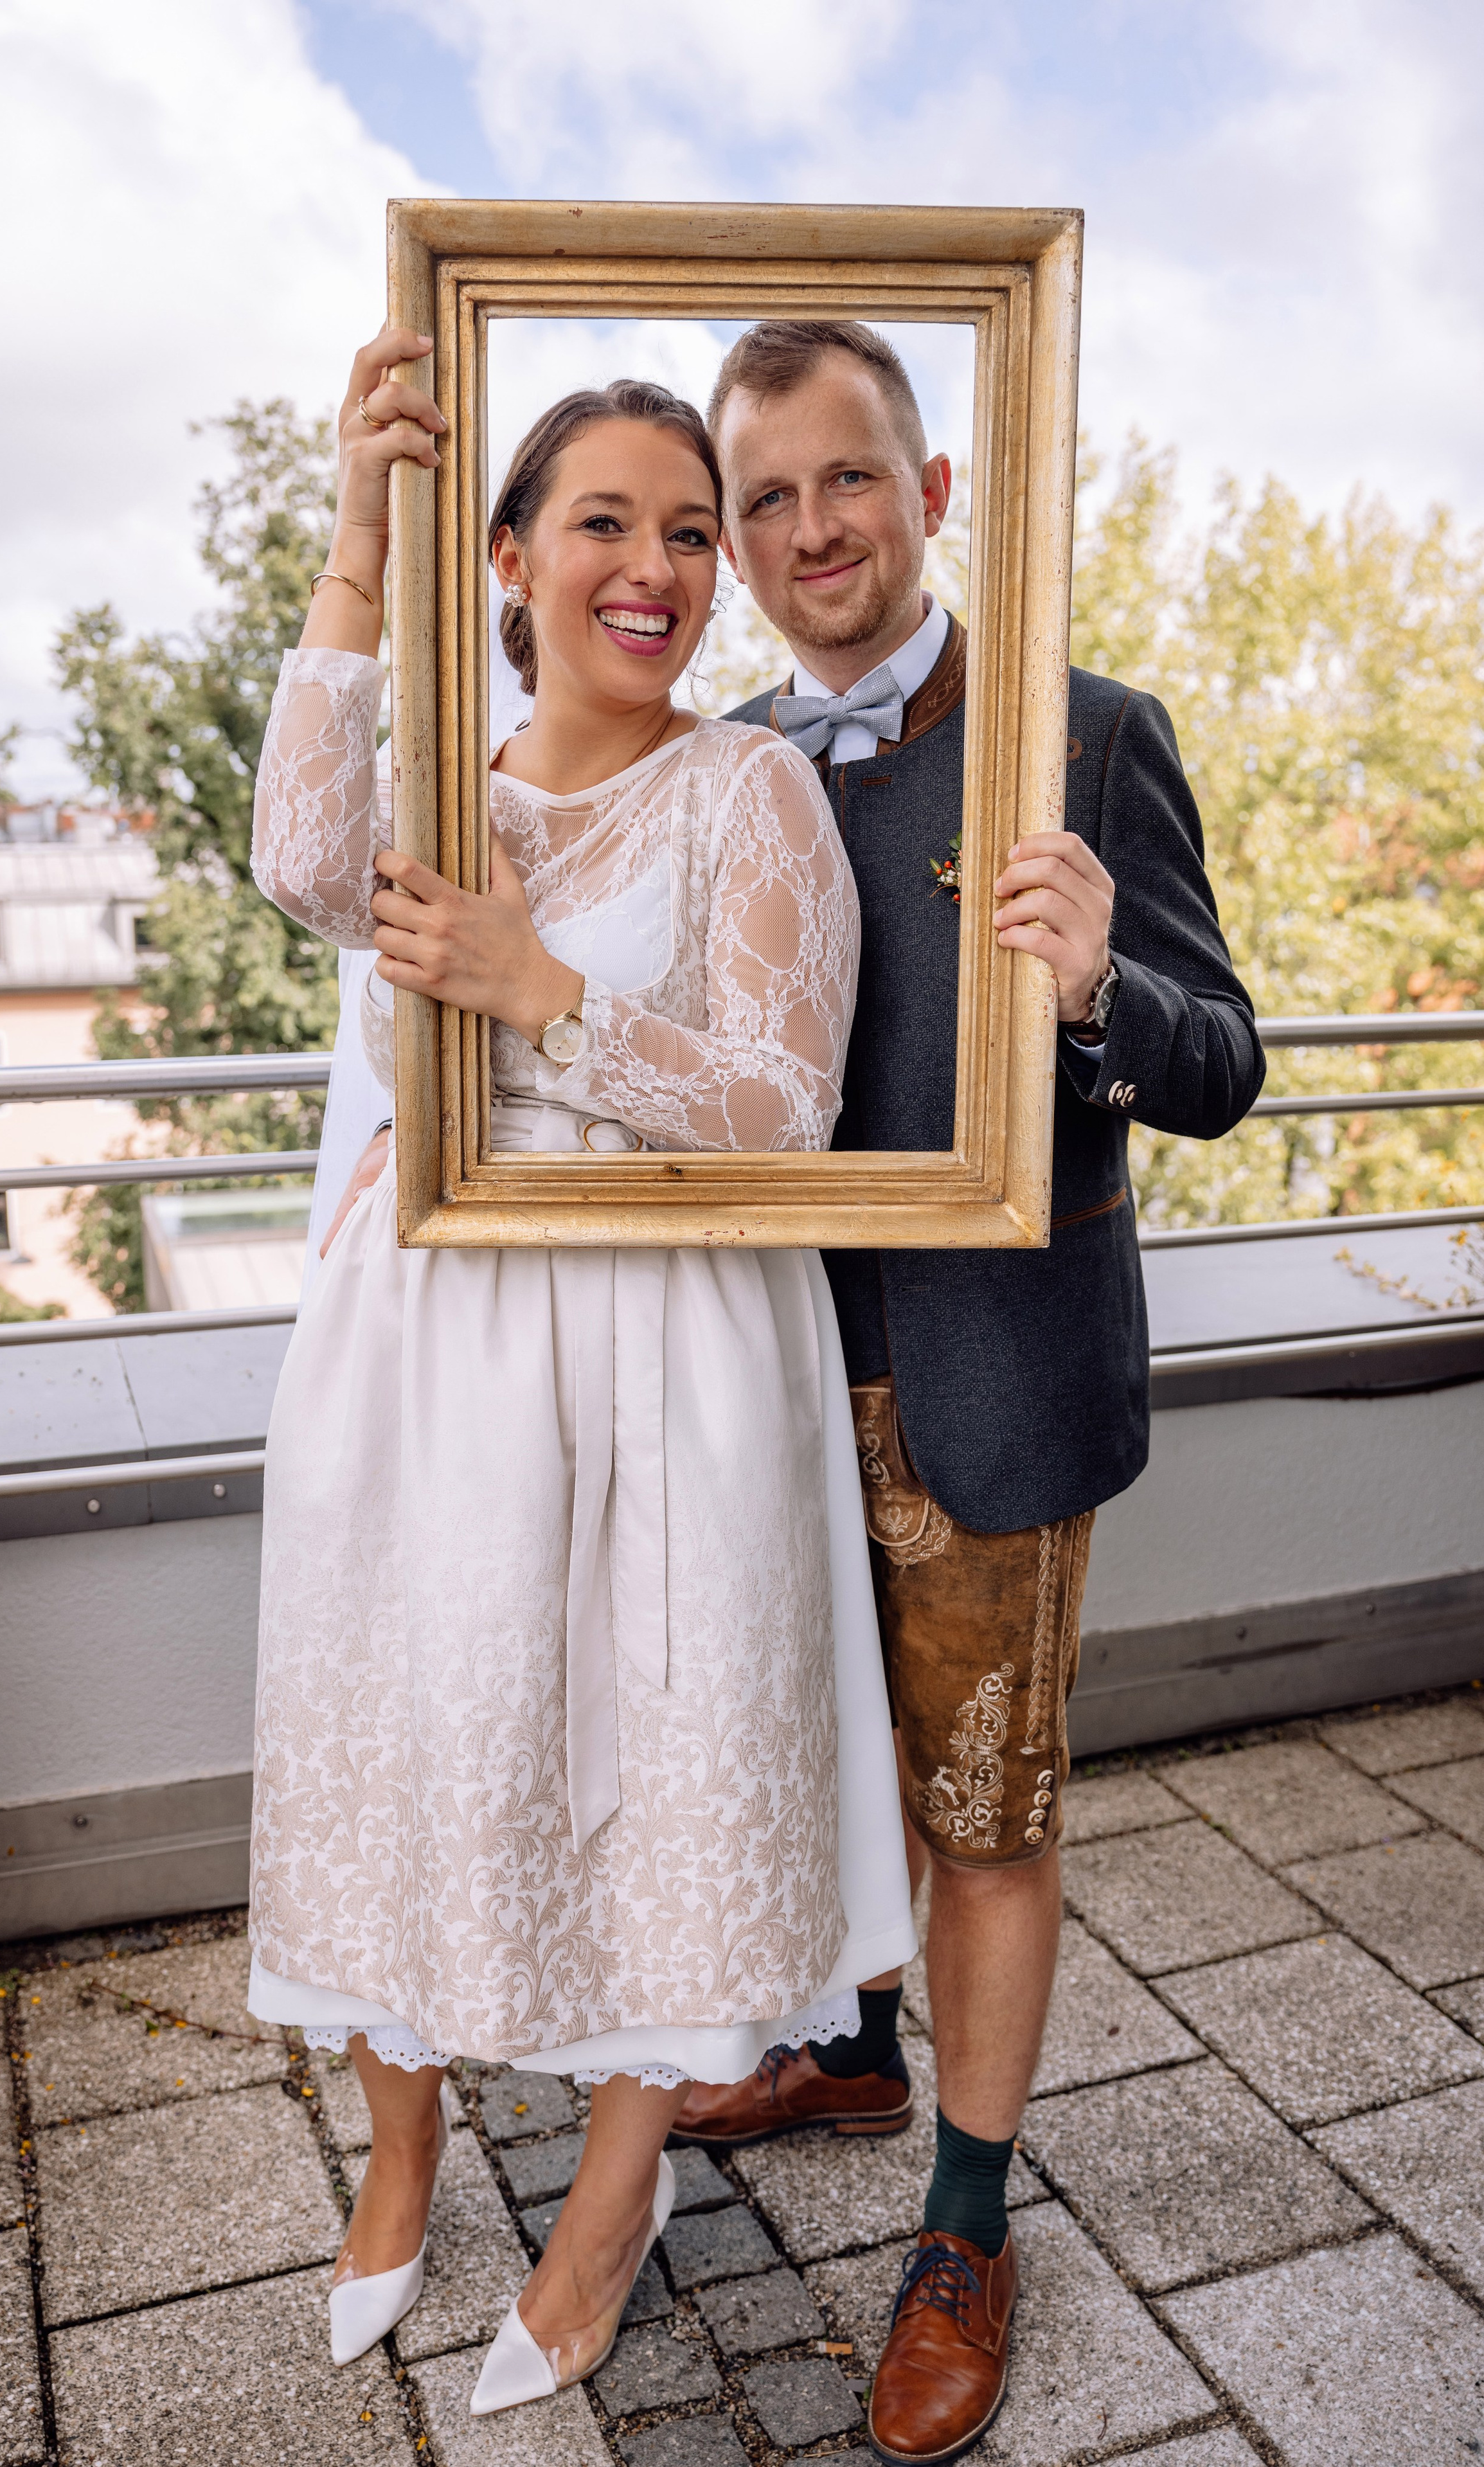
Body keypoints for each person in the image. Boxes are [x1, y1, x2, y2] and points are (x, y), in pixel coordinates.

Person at [244, 327, 915, 2414]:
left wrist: (536, 993)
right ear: (513, 555)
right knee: (418, 1742)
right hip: (423, 1341)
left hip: (670, 1349)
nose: (663, 566)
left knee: (652, 1762)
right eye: (606, 524)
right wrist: (362, 533)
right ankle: (401, 2158)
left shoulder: (754, 788)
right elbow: (290, 863)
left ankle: (617, 2195)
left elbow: (782, 1110)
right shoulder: (431, 783)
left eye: (691, 532)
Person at [657, 320, 1265, 2463]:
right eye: (769, 501)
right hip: (757, 1383)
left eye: (852, 480)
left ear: (933, 492)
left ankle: (969, 2223)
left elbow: (1222, 1062)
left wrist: (1105, 975)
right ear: (730, 541)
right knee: (816, 1767)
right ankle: (843, 2047)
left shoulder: (1081, 737)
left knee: (984, 1818)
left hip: (994, 1386)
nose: (814, 529)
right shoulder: (711, 762)